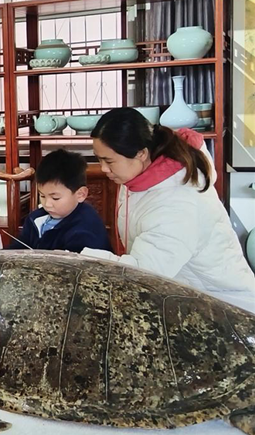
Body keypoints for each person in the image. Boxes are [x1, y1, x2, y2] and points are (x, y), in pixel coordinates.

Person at [82, 107, 255, 295]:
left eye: (109, 161)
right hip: (183, 296)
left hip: (222, 306)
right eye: (99, 159)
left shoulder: (177, 200)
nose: (104, 169)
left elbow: (144, 274)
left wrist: (75, 259)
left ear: (141, 153)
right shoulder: (138, 175)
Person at [7, 149, 112, 253]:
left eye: (55, 198)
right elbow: (18, 248)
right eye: (42, 196)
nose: (47, 205)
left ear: (81, 194)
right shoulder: (36, 218)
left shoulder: (86, 230)